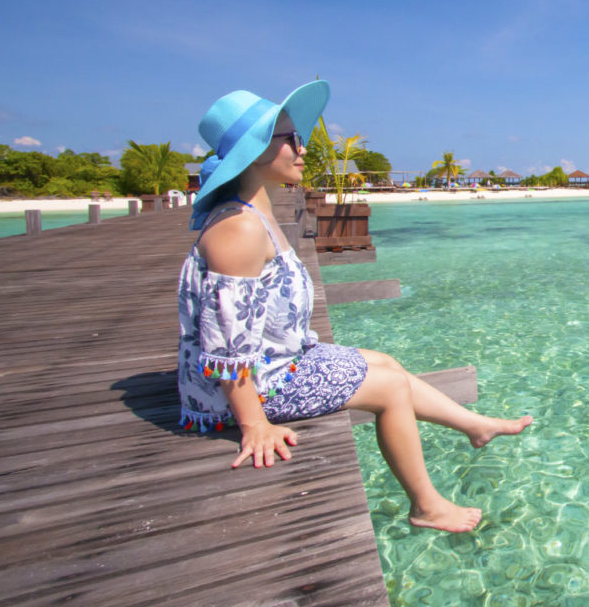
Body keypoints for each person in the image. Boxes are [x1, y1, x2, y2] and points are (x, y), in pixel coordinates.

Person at [177, 81, 531, 533]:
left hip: (278, 364)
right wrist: (254, 425)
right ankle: (426, 505)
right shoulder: (239, 230)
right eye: (289, 139)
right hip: (247, 393)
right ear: (256, 151)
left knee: (385, 362)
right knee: (389, 389)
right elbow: (226, 346)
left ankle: (474, 425)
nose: (301, 148)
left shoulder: (255, 210)